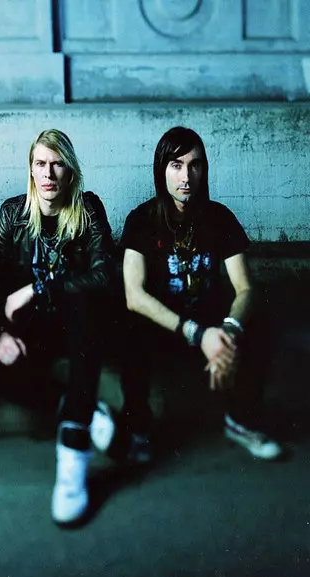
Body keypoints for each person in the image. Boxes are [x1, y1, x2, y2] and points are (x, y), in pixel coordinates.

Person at [120, 126, 282, 462]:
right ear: (161, 170)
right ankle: (139, 428)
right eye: (176, 165)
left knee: (260, 319)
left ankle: (240, 420)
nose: (186, 176)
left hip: (211, 325)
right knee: (129, 328)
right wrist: (196, 333)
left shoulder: (219, 218)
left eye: (194, 165)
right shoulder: (141, 220)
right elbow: (134, 295)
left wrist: (229, 332)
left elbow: (245, 288)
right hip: (167, 328)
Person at [0, 128, 115, 526]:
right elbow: (0, 291)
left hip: (77, 326)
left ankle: (72, 461)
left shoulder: (88, 208)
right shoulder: (13, 215)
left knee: (85, 306)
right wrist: (3, 333)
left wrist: (39, 287)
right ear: (30, 169)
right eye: (40, 164)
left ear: (70, 170)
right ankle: (86, 411)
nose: (48, 174)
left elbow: (104, 277)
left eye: (57, 164)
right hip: (34, 330)